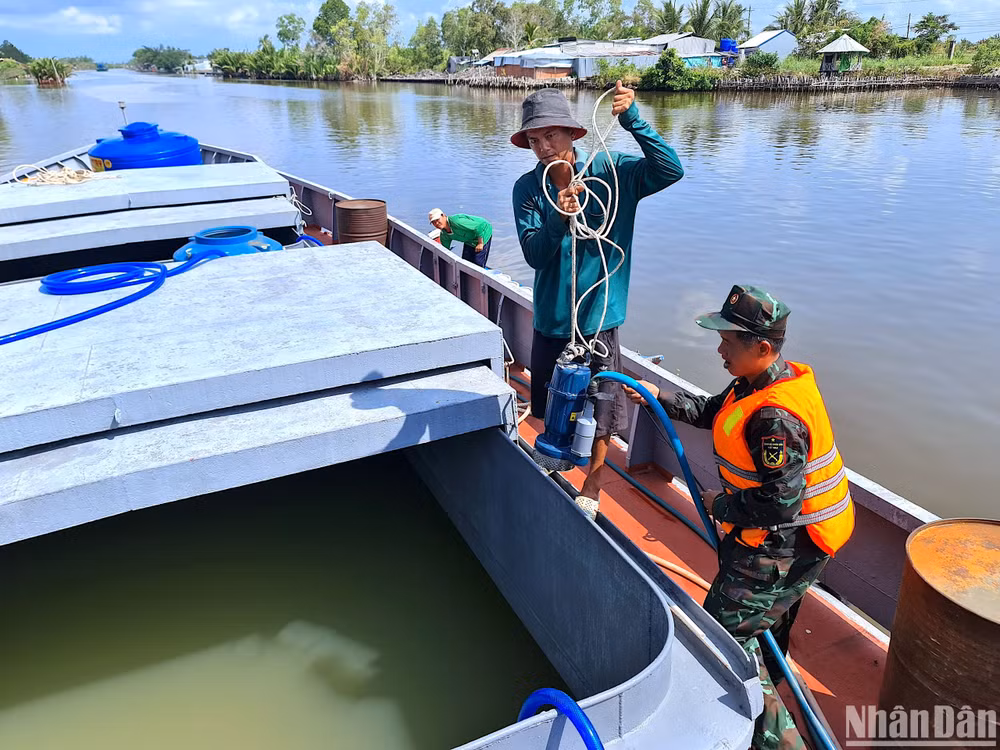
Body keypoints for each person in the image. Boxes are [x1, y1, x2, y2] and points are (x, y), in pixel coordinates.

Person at [624, 285, 856, 750]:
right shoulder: (758, 380)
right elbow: (713, 411)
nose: (719, 350)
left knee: (721, 643)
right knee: (767, 629)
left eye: (728, 342)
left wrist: (720, 506)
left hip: (787, 546)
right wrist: (657, 397)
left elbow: (778, 503)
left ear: (762, 348)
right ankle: (764, 687)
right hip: (798, 538)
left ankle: (775, 739)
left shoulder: (775, 419)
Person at [511, 82, 684, 518]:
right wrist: (558, 215)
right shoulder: (528, 189)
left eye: (551, 135)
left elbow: (670, 170)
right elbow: (534, 254)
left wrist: (634, 121)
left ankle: (594, 482)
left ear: (573, 134)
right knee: (554, 400)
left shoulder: (612, 171)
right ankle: (554, 457)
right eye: (534, 139)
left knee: (604, 405)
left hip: (600, 315)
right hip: (552, 317)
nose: (544, 147)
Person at [428, 209, 493, 267]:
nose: (436, 223)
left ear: (443, 215)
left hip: (483, 232)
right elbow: (445, 250)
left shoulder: (457, 221)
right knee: (465, 263)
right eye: (433, 222)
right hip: (469, 239)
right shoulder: (444, 234)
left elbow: (479, 227)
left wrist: (480, 243)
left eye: (437, 220)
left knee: (478, 263)